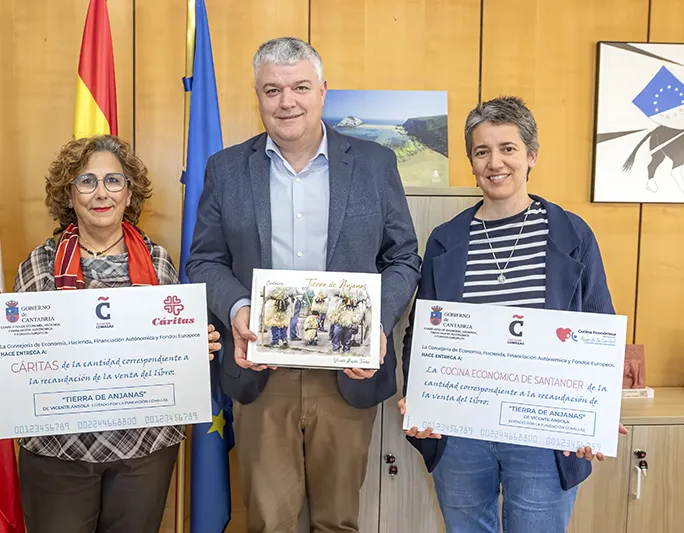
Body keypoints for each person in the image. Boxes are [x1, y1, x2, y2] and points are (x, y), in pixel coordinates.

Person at [186, 36, 420, 532]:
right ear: (258, 96)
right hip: (261, 372)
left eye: (299, 87)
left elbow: (403, 258)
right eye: (272, 90)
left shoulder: (375, 164)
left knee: (338, 521)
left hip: (347, 377)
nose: (286, 101)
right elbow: (204, 261)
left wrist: (376, 322)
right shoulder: (226, 170)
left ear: (322, 92)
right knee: (271, 522)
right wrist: (237, 310)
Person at [0, 135, 221, 533]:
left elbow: (174, 355)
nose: (100, 193)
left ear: (129, 193)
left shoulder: (158, 262)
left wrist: (194, 348)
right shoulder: (39, 265)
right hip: (57, 453)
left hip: (144, 450)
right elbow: (19, 372)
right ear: (69, 195)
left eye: (113, 181)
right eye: (86, 181)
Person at [399, 96, 627, 533]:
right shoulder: (446, 239)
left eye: (508, 148)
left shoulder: (571, 233)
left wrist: (593, 415)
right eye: (482, 151)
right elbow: (422, 334)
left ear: (531, 156)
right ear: (471, 162)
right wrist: (420, 401)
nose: (495, 162)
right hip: (460, 428)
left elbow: (598, 325)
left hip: (545, 435)